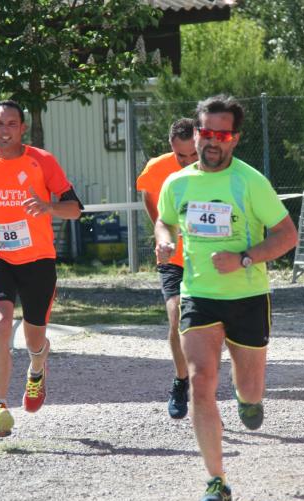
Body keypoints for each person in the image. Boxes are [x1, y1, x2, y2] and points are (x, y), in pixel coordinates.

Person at [154, 95, 298, 501]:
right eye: (205, 132)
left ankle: (249, 400)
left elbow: (287, 235)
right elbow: (165, 218)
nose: (211, 141)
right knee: (201, 382)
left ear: (234, 139)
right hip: (198, 295)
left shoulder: (250, 182)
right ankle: (217, 480)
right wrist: (165, 240)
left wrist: (245, 258)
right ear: (195, 133)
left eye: (221, 134)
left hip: (248, 297)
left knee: (249, 391)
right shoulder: (177, 182)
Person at [0, 100, 83, 438]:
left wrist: (48, 206)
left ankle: (37, 368)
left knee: (33, 336)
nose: (5, 130)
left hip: (38, 259)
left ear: (22, 128)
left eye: (12, 123)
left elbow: (75, 210)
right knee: (0, 322)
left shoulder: (42, 161)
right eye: (0, 124)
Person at [136, 118, 198, 419]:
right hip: (173, 259)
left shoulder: (221, 169)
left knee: (210, 328)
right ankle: (181, 380)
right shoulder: (156, 169)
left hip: (208, 260)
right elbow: (149, 198)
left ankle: (207, 388)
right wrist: (163, 235)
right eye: (180, 156)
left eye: (192, 155)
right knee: (176, 318)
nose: (186, 162)